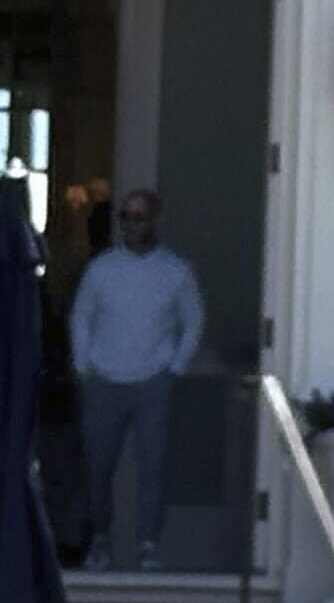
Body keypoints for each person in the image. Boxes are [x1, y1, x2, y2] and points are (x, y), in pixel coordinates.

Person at [64, 186, 204, 570]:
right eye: (125, 217)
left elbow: (192, 322)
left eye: (139, 217)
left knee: (152, 469)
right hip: (103, 381)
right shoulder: (102, 269)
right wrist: (83, 365)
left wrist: (173, 368)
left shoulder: (175, 271)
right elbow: (82, 317)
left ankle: (147, 545)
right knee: (97, 468)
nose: (131, 224)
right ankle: (100, 542)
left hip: (152, 382)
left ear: (154, 220)